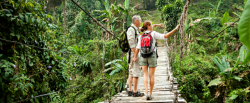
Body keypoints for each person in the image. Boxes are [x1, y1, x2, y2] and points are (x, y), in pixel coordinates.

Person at [133, 21, 179, 100]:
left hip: (143, 56)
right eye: (151, 25)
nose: (152, 26)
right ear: (148, 26)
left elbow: (138, 48)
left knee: (145, 75)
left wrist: (135, 57)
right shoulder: (153, 34)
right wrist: (175, 29)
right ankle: (150, 94)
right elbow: (166, 35)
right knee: (152, 76)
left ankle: (146, 92)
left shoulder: (141, 36)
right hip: (152, 55)